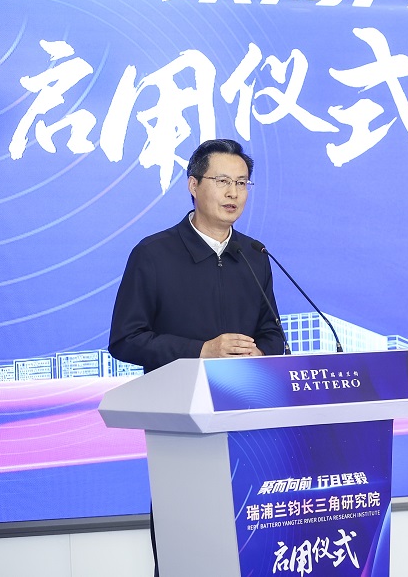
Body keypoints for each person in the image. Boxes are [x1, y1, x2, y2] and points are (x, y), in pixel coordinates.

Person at [108, 138, 285, 576]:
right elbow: (126, 339)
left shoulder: (255, 254)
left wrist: (260, 353)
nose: (233, 192)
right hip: (182, 431)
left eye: (242, 183)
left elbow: (273, 333)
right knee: (187, 553)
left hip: (248, 425)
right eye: (222, 181)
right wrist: (200, 352)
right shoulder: (153, 254)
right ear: (193, 184)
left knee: (252, 548)